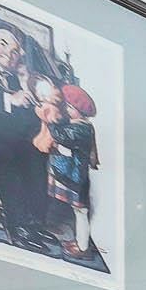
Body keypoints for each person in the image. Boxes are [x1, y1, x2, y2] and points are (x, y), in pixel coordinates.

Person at [44, 84, 99, 261]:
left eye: (69, 107)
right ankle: (79, 242)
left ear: (79, 112)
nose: (65, 110)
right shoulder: (77, 124)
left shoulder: (81, 129)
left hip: (75, 178)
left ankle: (83, 248)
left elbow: (61, 136)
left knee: (80, 212)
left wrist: (50, 121)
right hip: (72, 175)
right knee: (78, 211)